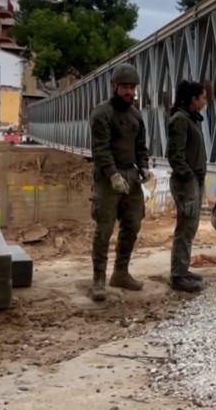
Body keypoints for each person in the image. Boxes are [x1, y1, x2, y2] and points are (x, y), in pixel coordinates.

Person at [88, 63, 150, 302]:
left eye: (132, 87)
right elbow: (100, 149)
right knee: (104, 229)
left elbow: (140, 146)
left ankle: (121, 272)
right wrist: (113, 176)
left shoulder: (135, 115)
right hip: (106, 178)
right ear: (114, 87)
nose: (129, 92)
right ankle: (98, 281)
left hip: (131, 178)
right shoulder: (101, 113)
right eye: (124, 86)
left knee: (133, 225)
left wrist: (143, 165)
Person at [166, 80, 208, 293]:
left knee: (189, 227)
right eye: (203, 97)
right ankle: (177, 275)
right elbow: (175, 156)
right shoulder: (180, 121)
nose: (205, 101)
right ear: (193, 99)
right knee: (185, 227)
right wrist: (189, 178)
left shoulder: (189, 120)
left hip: (193, 181)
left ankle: (182, 269)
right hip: (187, 183)